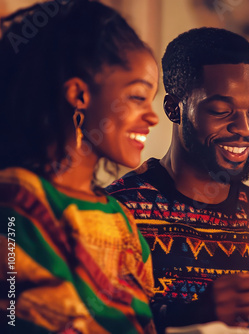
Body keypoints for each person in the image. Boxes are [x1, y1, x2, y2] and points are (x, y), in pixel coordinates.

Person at [106, 27, 249, 331]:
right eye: (222, 111)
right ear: (174, 109)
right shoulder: (119, 214)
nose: (245, 128)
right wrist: (192, 316)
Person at [0, 1, 159, 332]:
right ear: (79, 94)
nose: (152, 116)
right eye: (137, 97)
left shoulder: (122, 221)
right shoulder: (19, 203)